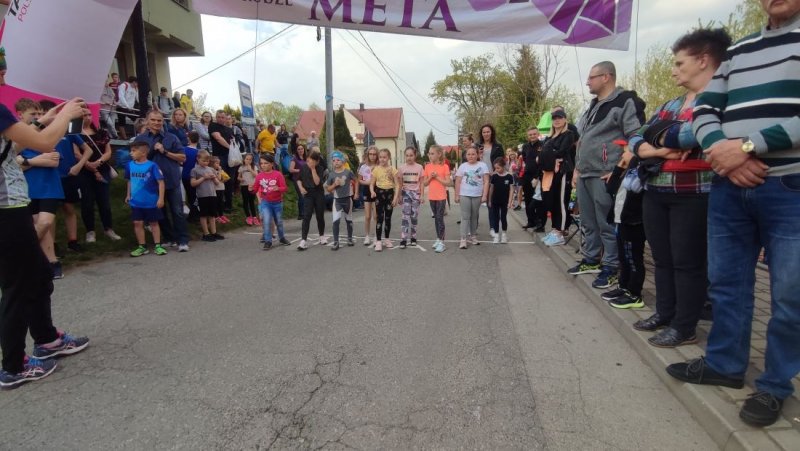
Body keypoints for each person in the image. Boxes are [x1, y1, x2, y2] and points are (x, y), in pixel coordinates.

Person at [667, 0, 800, 428]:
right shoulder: (740, 49)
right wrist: (721, 150)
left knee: (790, 294)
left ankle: (775, 384)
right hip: (729, 184)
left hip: (790, 185)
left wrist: (746, 147)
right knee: (727, 283)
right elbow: (705, 108)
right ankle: (725, 364)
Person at [626, 29, 731, 349]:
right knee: (662, 258)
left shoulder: (721, 99)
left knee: (687, 261)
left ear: (703, 60)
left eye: (679, 63)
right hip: (656, 190)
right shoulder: (670, 104)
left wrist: (660, 138)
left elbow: (694, 135)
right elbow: (636, 138)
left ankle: (685, 326)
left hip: (694, 193)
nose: (673, 70)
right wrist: (661, 149)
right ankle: (665, 312)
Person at [0, 52, 90, 388]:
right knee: (18, 285)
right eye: (0, 72)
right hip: (6, 211)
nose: (4, 78)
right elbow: (43, 143)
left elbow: (12, 143)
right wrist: (65, 116)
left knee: (38, 275)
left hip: (13, 207)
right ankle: (13, 365)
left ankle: (47, 339)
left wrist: (42, 120)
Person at [569, 61, 644, 290]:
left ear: (606, 77)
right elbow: (583, 140)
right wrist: (577, 169)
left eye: (591, 77)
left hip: (605, 174)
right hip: (585, 172)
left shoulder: (625, 101)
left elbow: (636, 136)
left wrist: (618, 169)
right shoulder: (592, 106)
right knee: (588, 221)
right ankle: (591, 258)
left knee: (606, 223)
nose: (587, 82)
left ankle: (611, 266)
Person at [15, 99, 64, 278]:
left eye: (39, 114)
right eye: (33, 114)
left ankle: (22, 254)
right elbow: (14, 164)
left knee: (45, 223)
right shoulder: (16, 135)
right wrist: (36, 160)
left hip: (49, 186)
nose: (37, 117)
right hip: (27, 188)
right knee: (38, 225)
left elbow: (53, 160)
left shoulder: (45, 133)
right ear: (20, 114)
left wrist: (26, 161)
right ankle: (51, 262)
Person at [134, 110, 189, 252]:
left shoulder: (171, 137)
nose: (156, 123)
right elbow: (135, 159)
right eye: (153, 120)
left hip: (171, 180)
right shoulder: (140, 139)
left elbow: (182, 157)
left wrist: (165, 151)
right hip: (152, 183)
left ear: (163, 122)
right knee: (160, 212)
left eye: (159, 120)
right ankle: (169, 238)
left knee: (177, 211)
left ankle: (182, 240)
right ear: (147, 121)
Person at [601, 142, 645, 309]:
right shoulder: (624, 172)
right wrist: (620, 166)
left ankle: (634, 294)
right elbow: (610, 188)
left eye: (626, 151)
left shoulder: (640, 171)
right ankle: (624, 286)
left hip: (633, 222)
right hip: (620, 221)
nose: (622, 154)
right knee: (623, 257)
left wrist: (633, 161)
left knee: (633, 258)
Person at [80, 111, 121, 243]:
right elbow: (76, 152)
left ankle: (108, 228)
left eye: (89, 114)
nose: (87, 117)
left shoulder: (101, 132)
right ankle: (90, 231)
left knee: (104, 202)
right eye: (84, 115)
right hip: (84, 171)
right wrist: (89, 165)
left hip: (102, 169)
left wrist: (98, 162)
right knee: (87, 202)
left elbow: (108, 151)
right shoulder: (74, 133)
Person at [539, 109, 577, 246]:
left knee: (561, 202)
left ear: (565, 119)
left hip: (562, 171)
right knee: (552, 201)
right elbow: (542, 153)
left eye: (559, 118)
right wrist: (548, 154)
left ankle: (561, 232)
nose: (557, 120)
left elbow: (561, 151)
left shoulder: (568, 134)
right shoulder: (549, 137)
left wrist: (548, 154)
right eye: (554, 118)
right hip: (550, 173)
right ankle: (555, 229)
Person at [124, 141, 166, 257]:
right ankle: (142, 246)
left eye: (134, 151)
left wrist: (161, 198)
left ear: (143, 153)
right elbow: (129, 180)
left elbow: (161, 182)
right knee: (137, 223)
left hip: (151, 201)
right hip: (136, 202)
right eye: (131, 151)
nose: (131, 153)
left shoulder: (152, 166)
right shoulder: (129, 165)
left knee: (154, 223)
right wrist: (128, 195)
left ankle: (158, 245)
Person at [455, 145, 490, 249]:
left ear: (477, 155)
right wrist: (457, 195)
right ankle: (463, 239)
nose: (471, 156)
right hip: (464, 195)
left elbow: (486, 181)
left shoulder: (483, 166)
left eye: (473, 154)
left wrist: (484, 195)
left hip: (477, 195)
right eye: (469, 154)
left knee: (474, 216)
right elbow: (458, 181)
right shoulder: (463, 166)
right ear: (466, 156)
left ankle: (473, 236)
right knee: (465, 217)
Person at [252, 154, 290, 250]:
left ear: (272, 164)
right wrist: (251, 189)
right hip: (266, 202)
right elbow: (255, 189)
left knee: (279, 222)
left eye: (266, 163)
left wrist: (278, 188)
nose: (263, 165)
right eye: (261, 163)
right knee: (267, 221)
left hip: (277, 202)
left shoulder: (278, 174)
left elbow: (285, 188)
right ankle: (268, 241)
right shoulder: (259, 176)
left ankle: (282, 238)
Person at [325, 151, 358, 250]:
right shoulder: (331, 174)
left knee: (349, 220)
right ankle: (336, 242)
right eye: (334, 160)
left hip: (347, 200)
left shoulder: (348, 172)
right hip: (337, 201)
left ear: (343, 161)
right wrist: (334, 185)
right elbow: (328, 189)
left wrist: (356, 193)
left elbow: (356, 181)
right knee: (336, 221)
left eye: (338, 160)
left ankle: (350, 239)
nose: (336, 162)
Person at [191, 151, 224, 242]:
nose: (206, 163)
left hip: (212, 194)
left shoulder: (211, 169)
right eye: (204, 161)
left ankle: (214, 232)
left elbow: (217, 183)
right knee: (204, 215)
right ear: (198, 159)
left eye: (207, 161)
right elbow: (193, 183)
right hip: (202, 195)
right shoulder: (195, 170)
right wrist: (203, 178)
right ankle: (206, 233)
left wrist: (213, 178)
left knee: (212, 214)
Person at [370, 148, 399, 252]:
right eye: (380, 157)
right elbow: (371, 184)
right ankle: (378, 241)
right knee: (379, 218)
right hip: (379, 194)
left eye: (384, 157)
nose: (382, 159)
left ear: (389, 157)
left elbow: (397, 184)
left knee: (388, 218)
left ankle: (387, 239)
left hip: (389, 194)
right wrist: (372, 191)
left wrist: (395, 197)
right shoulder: (376, 169)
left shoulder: (393, 169)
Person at [423, 144, 451, 253]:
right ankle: (438, 239)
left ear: (439, 154)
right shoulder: (427, 167)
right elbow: (425, 183)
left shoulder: (444, 166)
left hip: (441, 197)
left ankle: (442, 243)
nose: (430, 155)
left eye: (432, 153)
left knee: (440, 218)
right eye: (429, 153)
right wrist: (431, 177)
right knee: (436, 218)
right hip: (432, 197)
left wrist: (437, 177)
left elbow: (448, 182)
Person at [297, 150, 327, 250]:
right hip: (308, 194)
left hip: (318, 193)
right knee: (307, 216)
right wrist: (301, 188)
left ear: (317, 161)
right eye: (308, 160)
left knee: (320, 215)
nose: (309, 163)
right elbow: (298, 179)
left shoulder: (320, 168)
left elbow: (317, 182)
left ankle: (322, 236)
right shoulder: (303, 167)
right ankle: (303, 240)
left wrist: (313, 169)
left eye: (312, 161)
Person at [396, 146, 424, 249]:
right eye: (407, 155)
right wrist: (399, 196)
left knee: (414, 217)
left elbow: (422, 183)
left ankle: (413, 237)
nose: (409, 157)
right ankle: (403, 239)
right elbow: (399, 183)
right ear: (405, 156)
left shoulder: (419, 167)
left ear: (415, 155)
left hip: (416, 195)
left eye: (411, 155)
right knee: (405, 217)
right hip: (406, 194)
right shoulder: (401, 168)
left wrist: (422, 195)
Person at [208, 110, 235, 212]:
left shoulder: (229, 129)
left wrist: (235, 150)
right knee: (220, 180)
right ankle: (220, 206)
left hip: (230, 157)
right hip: (219, 157)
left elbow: (233, 141)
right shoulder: (213, 126)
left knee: (230, 180)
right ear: (216, 117)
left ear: (226, 118)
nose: (220, 119)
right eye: (218, 117)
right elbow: (218, 138)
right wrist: (230, 148)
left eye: (222, 117)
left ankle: (229, 204)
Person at [520, 127, 545, 230]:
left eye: (534, 134)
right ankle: (531, 221)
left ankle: (540, 223)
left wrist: (537, 176)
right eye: (530, 134)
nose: (532, 136)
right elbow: (525, 159)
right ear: (528, 136)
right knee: (528, 199)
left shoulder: (543, 145)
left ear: (538, 134)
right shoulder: (525, 146)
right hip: (527, 175)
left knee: (537, 201)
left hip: (538, 176)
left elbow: (542, 162)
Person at [488, 157, 514, 244]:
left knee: (503, 217)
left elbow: (511, 190)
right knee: (495, 218)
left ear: (503, 166)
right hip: (495, 201)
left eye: (498, 168)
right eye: (495, 168)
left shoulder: (509, 176)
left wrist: (510, 202)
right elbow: (491, 189)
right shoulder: (494, 176)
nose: (496, 170)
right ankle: (496, 235)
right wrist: (489, 200)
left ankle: (504, 235)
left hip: (504, 201)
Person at [358, 146, 379, 246]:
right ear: (367, 155)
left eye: (374, 154)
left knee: (376, 216)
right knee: (367, 216)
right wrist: (367, 183)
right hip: (366, 191)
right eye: (370, 154)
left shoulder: (379, 166)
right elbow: (359, 180)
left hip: (377, 191)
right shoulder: (363, 167)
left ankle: (376, 236)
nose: (372, 156)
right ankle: (367, 236)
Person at [182, 131, 200, 223]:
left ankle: (193, 215)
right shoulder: (199, 152)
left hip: (185, 175)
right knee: (195, 196)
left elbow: (181, 162)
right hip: (195, 177)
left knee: (190, 196)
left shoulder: (183, 149)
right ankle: (195, 215)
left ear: (188, 139)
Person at [288, 144, 308, 220]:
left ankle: (305, 212)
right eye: (299, 149)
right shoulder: (294, 159)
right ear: (296, 151)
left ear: (304, 149)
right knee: (301, 196)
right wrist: (299, 170)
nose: (300, 150)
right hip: (297, 180)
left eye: (301, 149)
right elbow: (290, 169)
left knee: (305, 195)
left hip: (305, 179)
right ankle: (301, 214)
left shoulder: (306, 158)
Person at [238, 153, 259, 226]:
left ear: (252, 160)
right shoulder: (241, 167)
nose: (248, 161)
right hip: (244, 186)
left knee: (251, 201)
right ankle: (248, 216)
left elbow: (256, 175)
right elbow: (238, 177)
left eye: (250, 159)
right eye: (247, 159)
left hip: (252, 186)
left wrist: (250, 169)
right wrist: (241, 179)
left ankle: (254, 217)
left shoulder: (254, 166)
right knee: (245, 201)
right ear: (244, 159)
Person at [211, 157, 229, 224]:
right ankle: (216, 216)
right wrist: (219, 171)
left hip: (221, 188)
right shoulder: (212, 170)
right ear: (212, 163)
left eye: (219, 163)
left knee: (221, 203)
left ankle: (221, 215)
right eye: (217, 163)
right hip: (216, 189)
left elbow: (226, 178)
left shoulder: (220, 170)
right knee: (216, 203)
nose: (218, 165)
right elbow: (218, 178)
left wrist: (224, 178)